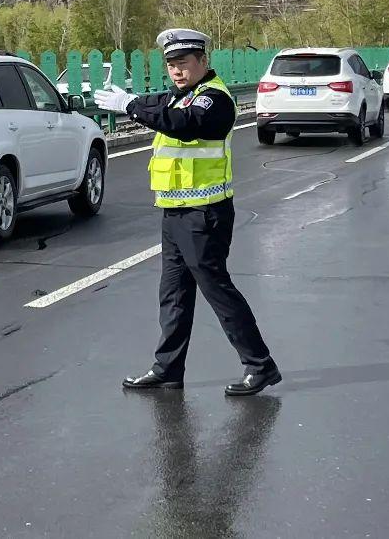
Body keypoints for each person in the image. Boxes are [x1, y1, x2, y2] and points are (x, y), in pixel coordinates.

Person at [95, 29, 281, 396]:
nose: (177, 71)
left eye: (184, 63)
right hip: (176, 211)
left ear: (203, 62)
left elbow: (183, 126)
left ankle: (260, 366)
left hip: (204, 212)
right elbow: (158, 106)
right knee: (174, 294)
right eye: (172, 65)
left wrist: (128, 107)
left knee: (217, 291)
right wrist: (130, 100)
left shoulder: (214, 100)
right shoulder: (182, 96)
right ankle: (168, 368)